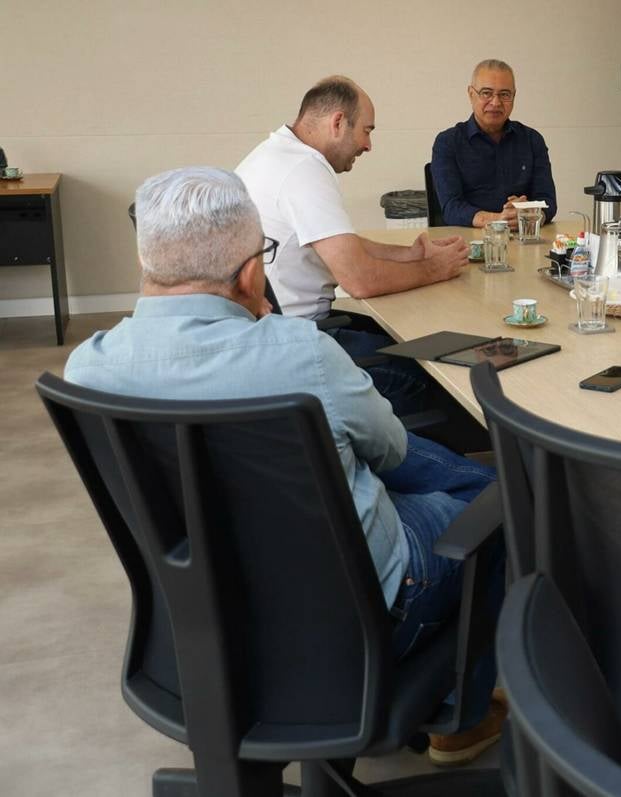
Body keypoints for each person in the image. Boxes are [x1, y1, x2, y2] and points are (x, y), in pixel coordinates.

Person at [65, 167, 505, 766]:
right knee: (495, 512)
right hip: (360, 618)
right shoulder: (302, 355)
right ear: (252, 274)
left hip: (202, 628)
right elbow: (391, 452)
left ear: (146, 262)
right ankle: (460, 718)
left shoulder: (89, 369)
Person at [236, 76, 469, 415]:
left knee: (404, 341)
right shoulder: (303, 170)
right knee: (443, 376)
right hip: (301, 347)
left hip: (273, 338)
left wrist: (411, 255)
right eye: (366, 131)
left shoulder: (275, 154)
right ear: (338, 123)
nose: (368, 146)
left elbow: (339, 244)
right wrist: (436, 268)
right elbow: (361, 281)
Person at [431, 59, 557, 228]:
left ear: (514, 96)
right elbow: (451, 208)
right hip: (471, 238)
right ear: (471, 94)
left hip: (524, 235)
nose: (496, 102)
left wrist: (530, 213)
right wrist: (499, 219)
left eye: (504, 94)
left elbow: (548, 202)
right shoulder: (448, 143)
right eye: (486, 93)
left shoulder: (532, 140)